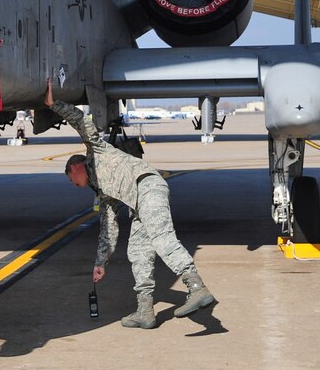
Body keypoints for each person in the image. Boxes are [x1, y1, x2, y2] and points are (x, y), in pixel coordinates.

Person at [44, 79, 214, 328]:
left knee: (161, 237)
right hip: (138, 205)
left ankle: (196, 287)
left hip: (147, 187)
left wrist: (54, 105)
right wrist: (100, 262)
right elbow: (108, 230)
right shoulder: (103, 192)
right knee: (138, 253)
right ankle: (145, 311)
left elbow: (81, 121)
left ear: (75, 168)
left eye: (72, 180)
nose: (74, 185)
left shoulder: (97, 150)